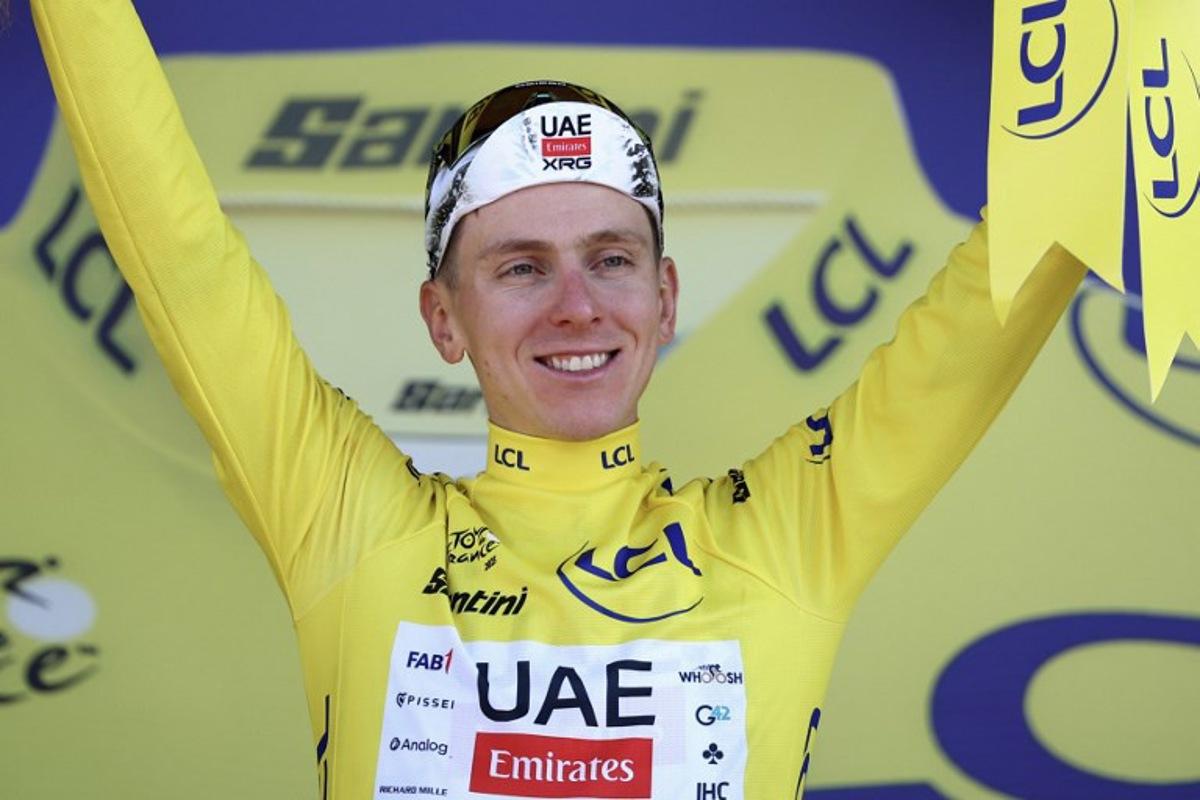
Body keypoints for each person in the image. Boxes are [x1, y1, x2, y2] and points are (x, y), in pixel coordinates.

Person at [30, 1, 1086, 798]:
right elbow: (178, 251)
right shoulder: (351, 527)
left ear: (663, 297)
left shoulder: (784, 540)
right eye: (522, 267)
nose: (578, 306)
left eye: (612, 259)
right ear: (444, 318)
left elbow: (1004, 284)